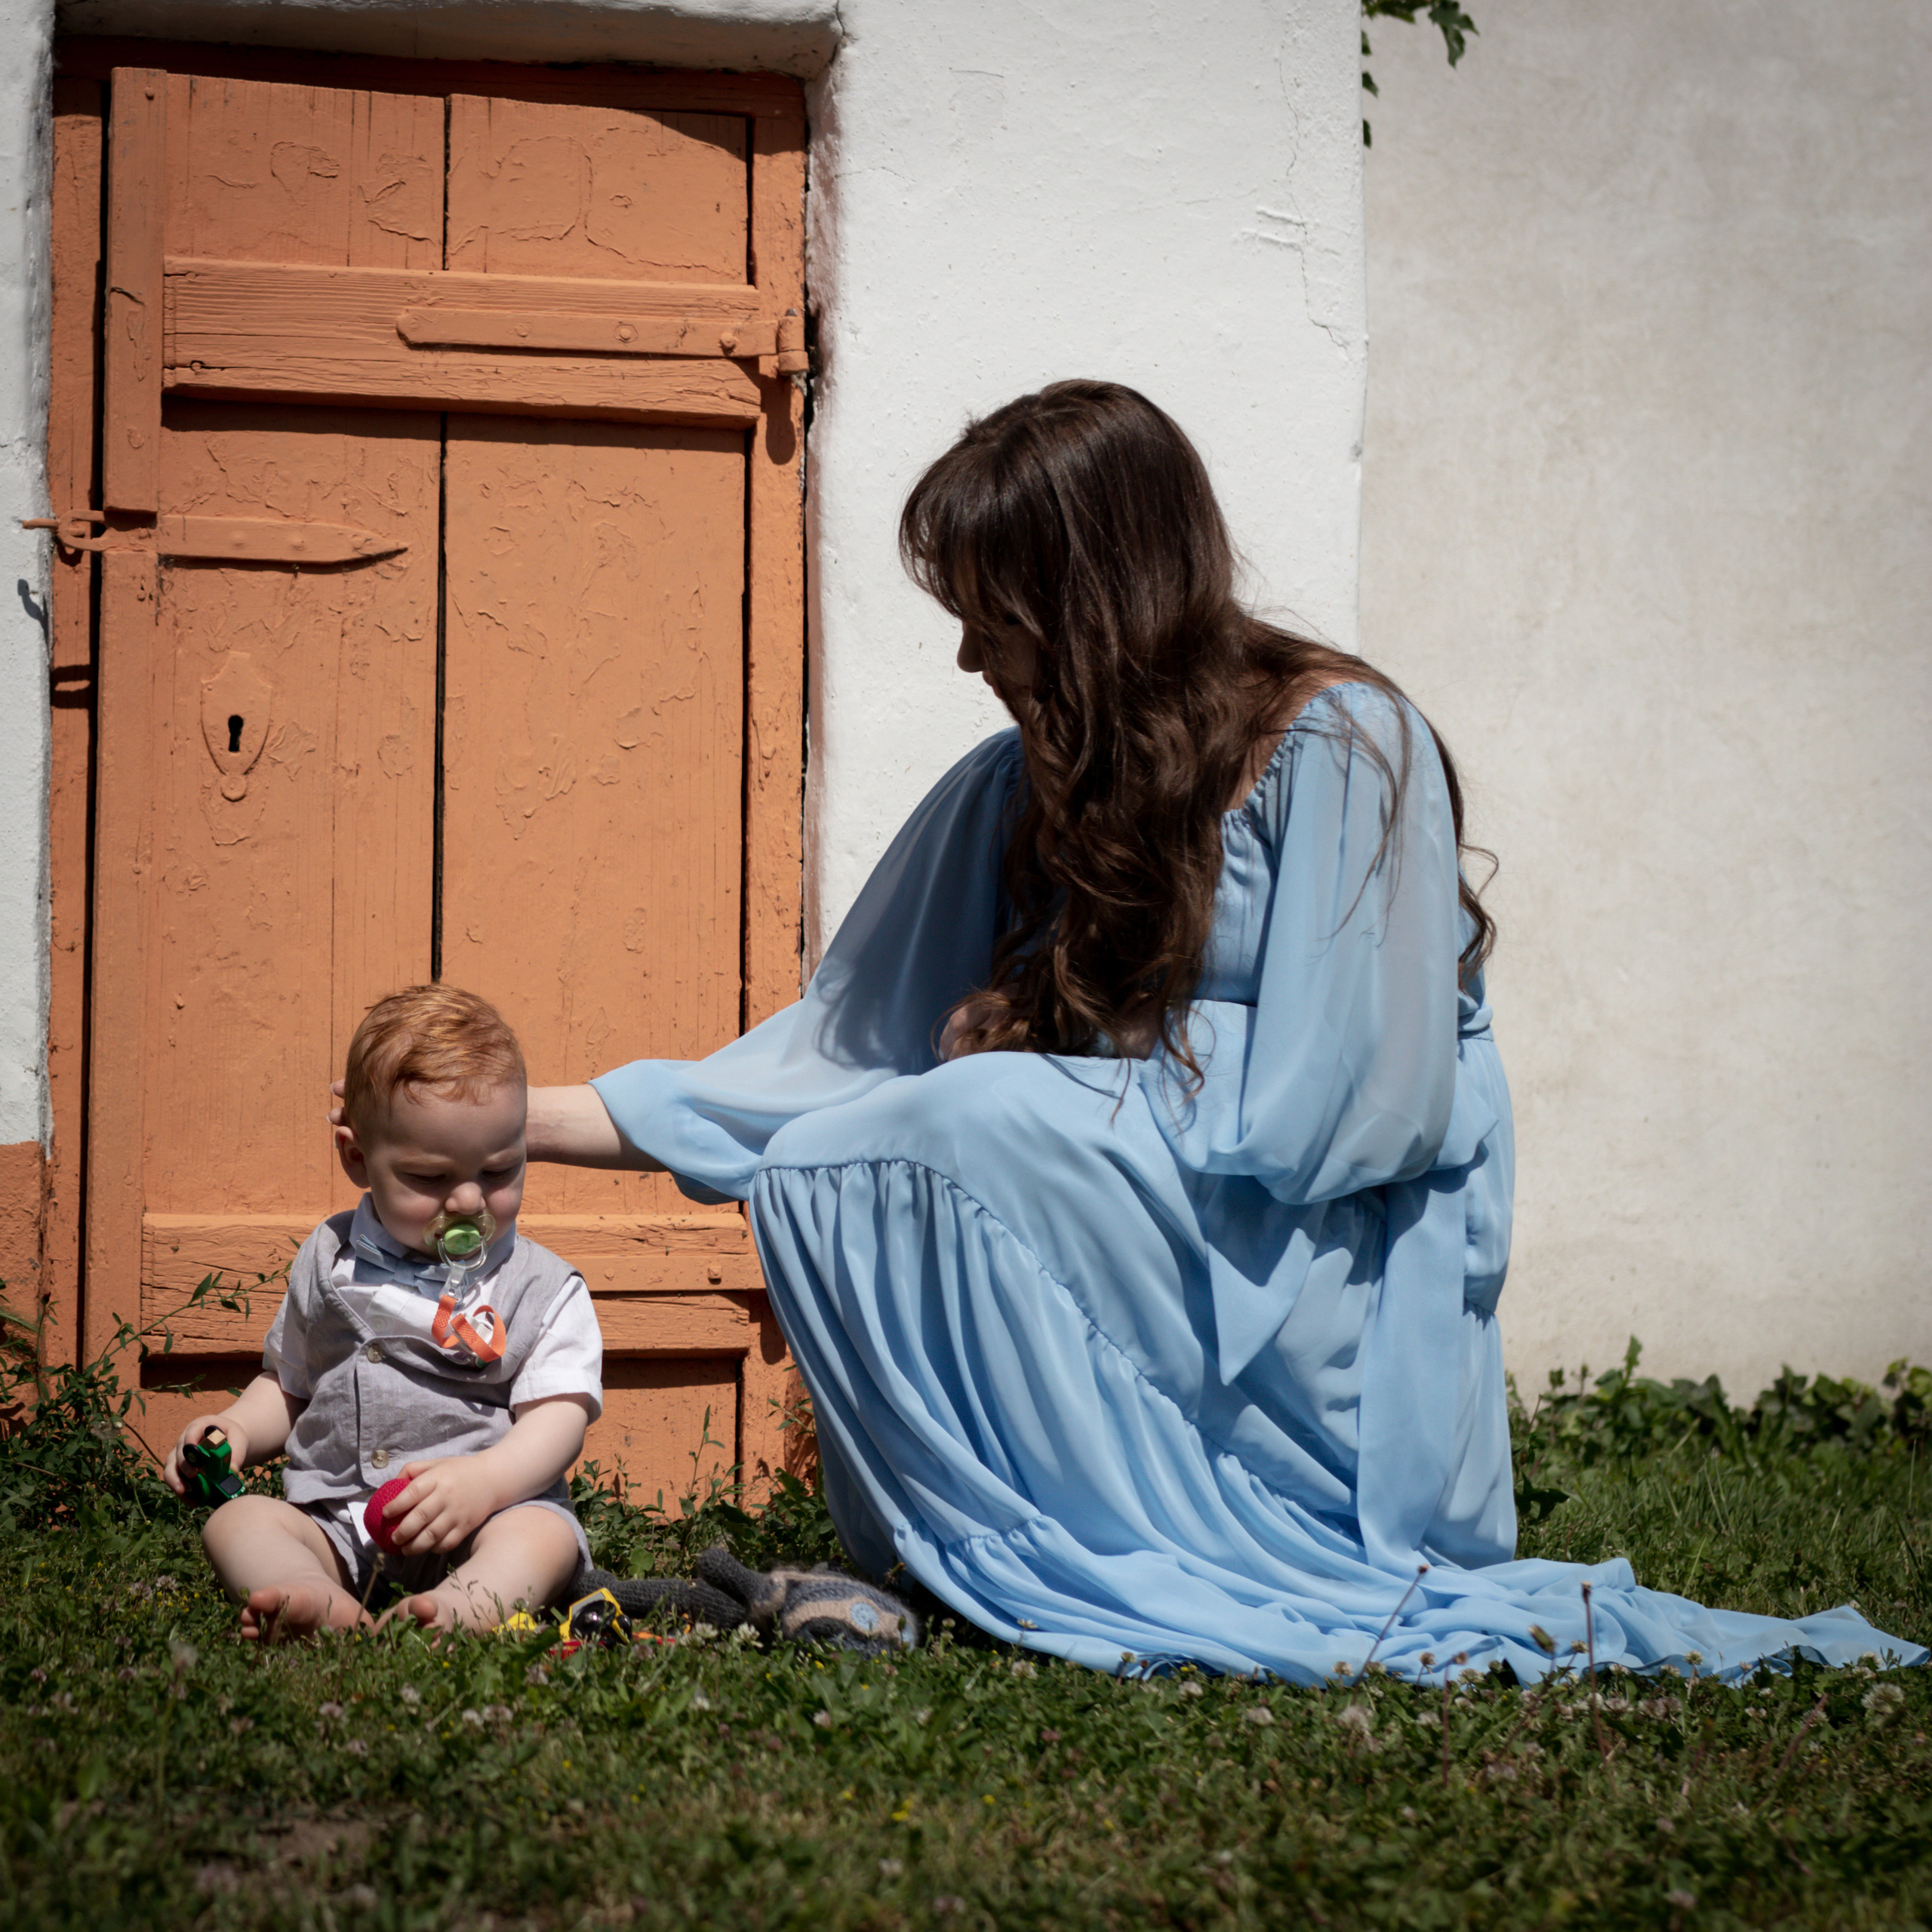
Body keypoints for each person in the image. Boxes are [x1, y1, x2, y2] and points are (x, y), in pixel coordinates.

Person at [524, 380, 1921, 1683]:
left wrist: (1061, 1055)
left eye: (993, 616)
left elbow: (1356, 1111)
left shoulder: (1344, 746)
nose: (967, 656)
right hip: (1165, 1197)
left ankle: (1149, 1529)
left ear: (1091, 600)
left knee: (955, 1120)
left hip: (1320, 1246)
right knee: (840, 1154)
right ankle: (1023, 1529)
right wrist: (512, 1122)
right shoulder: (1019, 786)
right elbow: (836, 1064)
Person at [171, 985, 601, 1639]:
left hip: (481, 1520)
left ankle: (459, 1609)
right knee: (237, 1522)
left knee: (544, 1537)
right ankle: (315, 1595)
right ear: (357, 1158)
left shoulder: (542, 1287)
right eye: (429, 1178)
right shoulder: (330, 1260)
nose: (468, 1200)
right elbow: (290, 1385)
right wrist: (235, 1429)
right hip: (339, 1521)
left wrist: (488, 1483)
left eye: (499, 1171)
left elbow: (560, 1419)